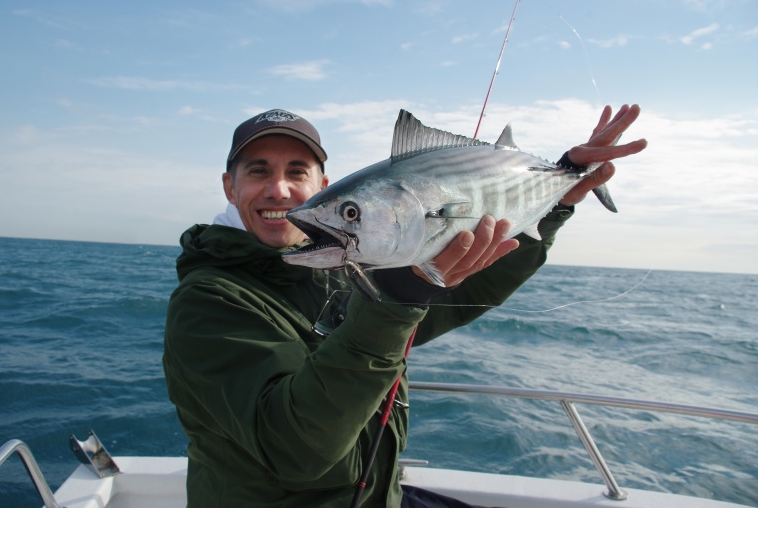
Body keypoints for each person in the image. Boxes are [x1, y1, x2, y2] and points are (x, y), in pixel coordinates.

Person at [163, 105, 647, 507]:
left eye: (297, 172)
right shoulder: (208, 300)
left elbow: (457, 295)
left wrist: (560, 193)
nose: (280, 192)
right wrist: (394, 299)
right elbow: (295, 450)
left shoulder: (345, 268)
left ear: (320, 183)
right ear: (230, 187)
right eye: (258, 172)